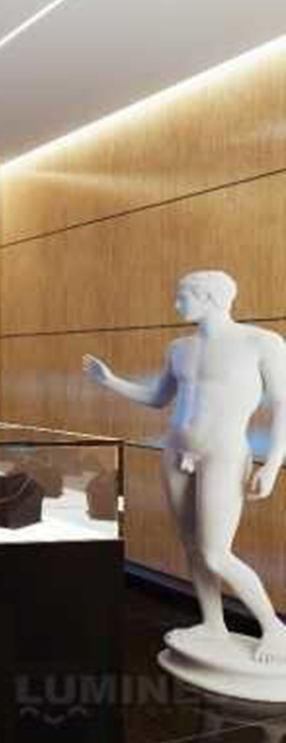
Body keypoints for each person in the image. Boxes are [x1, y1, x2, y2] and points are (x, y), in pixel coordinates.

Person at [83, 270, 286, 663]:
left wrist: (273, 463)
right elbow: (158, 398)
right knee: (192, 546)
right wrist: (110, 382)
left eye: (183, 297)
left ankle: (274, 628)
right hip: (176, 451)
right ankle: (213, 623)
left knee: (215, 552)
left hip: (224, 454)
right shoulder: (179, 348)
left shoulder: (261, 342)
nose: (177, 305)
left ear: (208, 297)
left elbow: (283, 405)